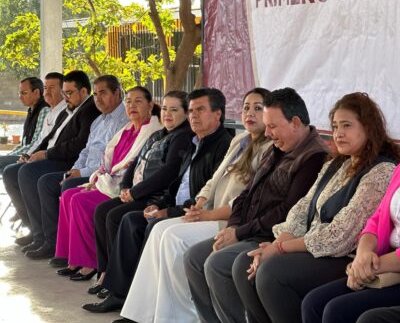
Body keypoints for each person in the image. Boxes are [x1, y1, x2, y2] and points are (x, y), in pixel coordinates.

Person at [232, 92, 400, 323]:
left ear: (369, 128)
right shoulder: (337, 163)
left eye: (347, 126)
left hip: (341, 255)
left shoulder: (382, 170)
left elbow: (341, 235)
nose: (338, 133)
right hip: (312, 246)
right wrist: (279, 243)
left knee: (272, 274)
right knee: (245, 264)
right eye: (335, 126)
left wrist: (280, 249)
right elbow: (302, 208)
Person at [120, 88, 271, 323]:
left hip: (230, 220)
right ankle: (143, 313)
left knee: (174, 238)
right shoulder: (239, 140)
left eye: (258, 108)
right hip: (209, 212)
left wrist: (207, 214)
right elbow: (213, 181)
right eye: (246, 107)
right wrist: (198, 206)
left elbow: (248, 198)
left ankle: (181, 317)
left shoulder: (269, 148)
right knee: (159, 230)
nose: (250, 113)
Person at [183, 87, 328, 323]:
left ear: (295, 122)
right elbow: (246, 193)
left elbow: (287, 211)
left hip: (272, 235)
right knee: (193, 257)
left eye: (272, 126)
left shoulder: (314, 156)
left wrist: (240, 232)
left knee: (217, 264)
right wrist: (233, 227)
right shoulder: (277, 147)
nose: (268, 133)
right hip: (248, 230)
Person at [82, 87, 233, 314]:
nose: (193, 116)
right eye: (191, 110)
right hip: (171, 204)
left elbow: (204, 194)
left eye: (200, 110)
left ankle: (147, 303)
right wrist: (159, 204)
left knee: (146, 224)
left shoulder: (222, 146)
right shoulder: (194, 142)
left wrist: (167, 211)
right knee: (130, 220)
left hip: (196, 213)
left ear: (218, 114)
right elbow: (176, 183)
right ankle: (121, 294)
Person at [53, 86, 163, 280]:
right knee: (69, 194)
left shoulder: (152, 130)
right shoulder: (127, 129)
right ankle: (74, 257)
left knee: (79, 200)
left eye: (138, 101)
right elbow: (107, 160)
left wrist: (101, 180)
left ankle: (90, 262)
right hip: (109, 180)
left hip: (124, 186)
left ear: (150, 105)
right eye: (128, 102)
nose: (132, 106)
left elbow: (131, 166)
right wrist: (96, 177)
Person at [29, 75, 130, 261]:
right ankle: (54, 243)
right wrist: (73, 171)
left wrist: (81, 173)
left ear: (117, 93)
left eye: (103, 93)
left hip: (104, 177)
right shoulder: (99, 120)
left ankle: (75, 253)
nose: (98, 99)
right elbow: (85, 151)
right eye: (96, 94)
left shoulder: (124, 120)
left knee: (68, 187)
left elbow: (111, 160)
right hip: (84, 170)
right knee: (47, 183)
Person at [6, 70, 101, 258]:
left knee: (28, 173)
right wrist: (31, 154)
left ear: (83, 92)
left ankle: (47, 239)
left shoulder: (89, 109)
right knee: (12, 172)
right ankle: (35, 229)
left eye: (69, 92)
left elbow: (79, 144)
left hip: (66, 161)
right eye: (64, 92)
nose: (65, 97)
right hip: (54, 157)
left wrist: (46, 154)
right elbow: (49, 138)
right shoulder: (68, 110)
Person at [301, 163, 400, 323]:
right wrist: (363, 254)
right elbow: (376, 219)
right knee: (313, 304)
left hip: (387, 265)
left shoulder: (382, 168)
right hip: (382, 263)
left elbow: (341, 234)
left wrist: (368, 267)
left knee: (338, 311)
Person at [5, 73, 66, 243]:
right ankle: (32, 226)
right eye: (46, 88)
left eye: (51, 88)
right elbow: (38, 141)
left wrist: (32, 156)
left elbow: (58, 146)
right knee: (11, 172)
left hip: (56, 159)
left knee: (22, 172)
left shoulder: (58, 111)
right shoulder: (49, 112)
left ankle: (41, 235)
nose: (47, 92)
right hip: (42, 155)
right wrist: (27, 156)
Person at [0, 76, 49, 172]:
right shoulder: (31, 110)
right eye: (19, 93)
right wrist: (9, 155)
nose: (20, 96)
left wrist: (11, 156)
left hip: (33, 158)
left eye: (24, 93)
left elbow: (36, 143)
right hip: (25, 155)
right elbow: (24, 143)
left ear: (36, 92)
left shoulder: (44, 110)